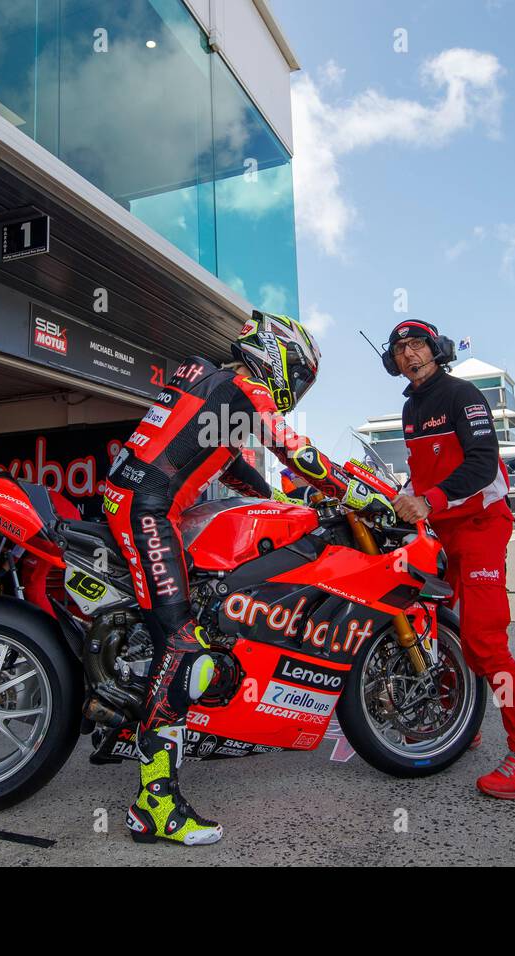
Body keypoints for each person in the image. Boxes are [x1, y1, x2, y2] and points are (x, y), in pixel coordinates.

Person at [103, 311, 391, 845]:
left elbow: (226, 462)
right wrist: (352, 493)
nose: (297, 389)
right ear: (279, 355)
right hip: (148, 508)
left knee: (201, 613)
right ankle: (154, 803)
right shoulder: (246, 385)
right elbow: (296, 450)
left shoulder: (208, 379)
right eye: (300, 376)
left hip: (138, 498)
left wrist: (275, 498)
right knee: (184, 644)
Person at [381, 319, 515, 800]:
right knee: (441, 629)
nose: (408, 355)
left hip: (480, 526)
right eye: (399, 350)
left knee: (482, 639)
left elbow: (480, 464)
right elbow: (421, 473)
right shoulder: (411, 409)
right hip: (442, 530)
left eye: (416, 345)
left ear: (436, 349)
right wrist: (398, 497)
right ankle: (462, 720)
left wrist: (430, 500)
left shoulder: (464, 396)